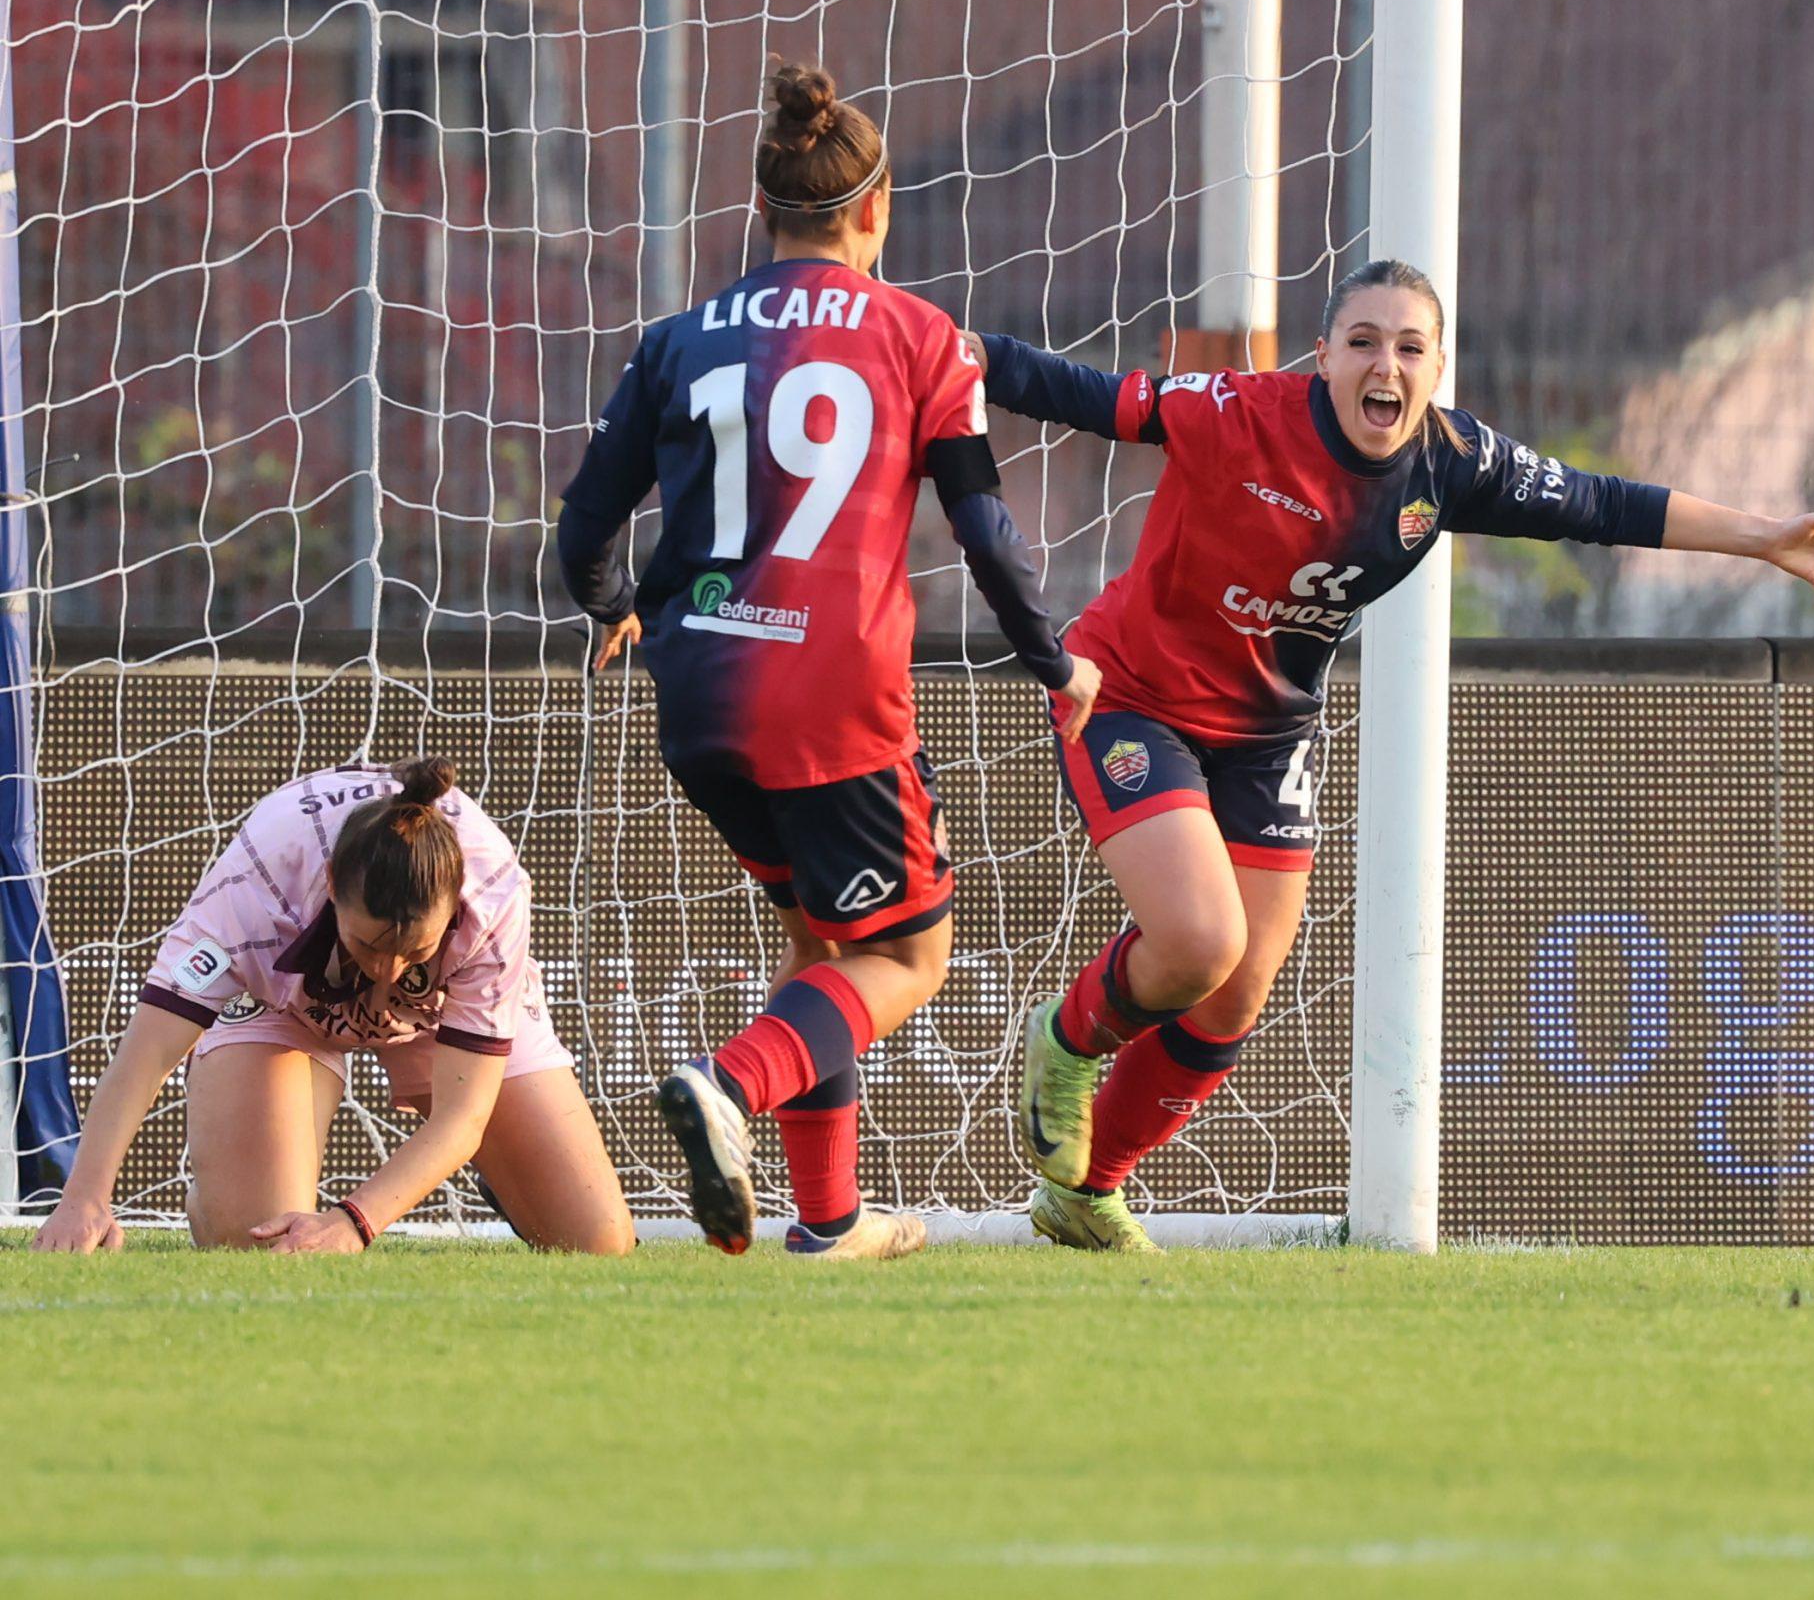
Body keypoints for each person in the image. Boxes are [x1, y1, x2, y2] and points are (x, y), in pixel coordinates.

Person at [964, 258, 1814, 1252]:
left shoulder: (1449, 462)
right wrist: (964, 352)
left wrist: (1764, 538)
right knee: (1199, 943)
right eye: (1363, 341)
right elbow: (1080, 394)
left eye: (1410, 347)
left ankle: (1085, 1192)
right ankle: (1067, 1043)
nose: (1386, 365)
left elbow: (1602, 503)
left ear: (1437, 366)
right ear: (1322, 357)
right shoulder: (1238, 412)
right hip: (1134, 695)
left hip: (1267, 731)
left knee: (1237, 988)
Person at [555, 61, 1097, 1261]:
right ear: (877, 209)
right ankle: (732, 1085)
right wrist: (1052, 660)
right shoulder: (922, 337)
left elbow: (584, 528)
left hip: (699, 696)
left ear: (762, 213)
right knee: (908, 950)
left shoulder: (678, 340)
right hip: (833, 697)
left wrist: (607, 610)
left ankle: (828, 1221)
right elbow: (986, 531)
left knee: (819, 942)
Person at [33, 760, 633, 1256]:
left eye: (413, 952)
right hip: (281, 1010)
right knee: (258, 1239)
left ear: (454, 907)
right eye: (370, 945)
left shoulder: (494, 900)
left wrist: (353, 1221)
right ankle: (212, 1197)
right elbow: (148, 1053)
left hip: (442, 1016)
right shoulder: (254, 894)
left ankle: (506, 1175)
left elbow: (462, 1117)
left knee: (598, 1242)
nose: (388, 972)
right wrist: (85, 1195)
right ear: (328, 884)